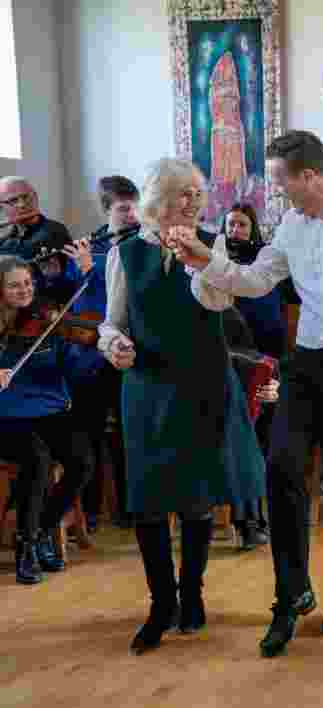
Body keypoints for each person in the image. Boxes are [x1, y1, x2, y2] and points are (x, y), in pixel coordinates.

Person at [167, 130, 323, 658]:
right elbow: (255, 280)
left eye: (278, 181)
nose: (274, 193)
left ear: (308, 176)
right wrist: (205, 259)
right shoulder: (292, 223)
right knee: (283, 468)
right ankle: (291, 595)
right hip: (310, 359)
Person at [97, 158, 265, 654]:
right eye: (182, 193)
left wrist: (197, 257)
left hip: (203, 381)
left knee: (195, 499)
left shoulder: (211, 244)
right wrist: (114, 347)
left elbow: (217, 302)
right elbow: (113, 322)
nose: (193, 202)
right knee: (149, 501)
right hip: (147, 385)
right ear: (155, 200)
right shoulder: (125, 252)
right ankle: (160, 603)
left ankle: (192, 595)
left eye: (197, 192)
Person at [0, 256, 98, 584]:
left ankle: (42, 530)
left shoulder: (48, 321)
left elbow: (75, 369)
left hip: (52, 409)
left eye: (28, 283)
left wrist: (93, 348)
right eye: (14, 285)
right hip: (7, 416)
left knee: (82, 461)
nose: (24, 290)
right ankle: (26, 549)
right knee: (37, 460)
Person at [219, 202, 288, 549]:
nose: (235, 230)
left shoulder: (266, 262)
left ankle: (262, 516)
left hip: (262, 365)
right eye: (230, 224)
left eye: (242, 225)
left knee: (263, 435)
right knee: (241, 437)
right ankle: (248, 520)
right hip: (223, 374)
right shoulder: (214, 274)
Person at [75, 176, 142, 531]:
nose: (133, 214)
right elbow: (88, 309)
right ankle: (91, 510)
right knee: (91, 430)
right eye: (123, 209)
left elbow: (125, 302)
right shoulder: (94, 247)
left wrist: (92, 271)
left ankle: (129, 507)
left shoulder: (143, 243)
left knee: (126, 433)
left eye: (135, 206)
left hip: (129, 352)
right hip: (93, 356)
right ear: (107, 210)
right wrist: (82, 269)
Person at [0, 177, 88, 304]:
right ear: (2, 207)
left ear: (35, 197)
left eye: (26, 197)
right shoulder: (7, 238)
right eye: (13, 200)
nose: (22, 204)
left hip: (44, 309)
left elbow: (22, 255)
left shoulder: (53, 231)